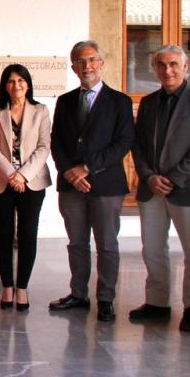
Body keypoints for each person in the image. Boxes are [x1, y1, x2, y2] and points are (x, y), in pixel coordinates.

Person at [129, 45, 190, 332]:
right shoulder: (149, 102)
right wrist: (148, 176)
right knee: (153, 249)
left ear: (185, 67)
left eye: (173, 65)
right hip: (151, 187)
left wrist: (174, 178)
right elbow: (138, 144)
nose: (167, 70)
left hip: (187, 189)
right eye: (161, 65)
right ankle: (157, 302)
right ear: (155, 69)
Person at [49, 40, 134, 322]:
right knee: (77, 242)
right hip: (71, 185)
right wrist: (69, 172)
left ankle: (106, 298)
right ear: (73, 67)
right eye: (80, 61)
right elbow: (56, 141)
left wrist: (86, 168)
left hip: (106, 184)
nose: (86, 66)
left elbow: (123, 142)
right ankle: (78, 294)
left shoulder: (120, 101)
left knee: (107, 243)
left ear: (101, 63)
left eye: (92, 60)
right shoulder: (65, 101)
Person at [0, 64, 52, 312]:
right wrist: (11, 174)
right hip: (1, 181)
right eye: (11, 81)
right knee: (2, 234)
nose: (17, 85)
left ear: (28, 83)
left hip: (32, 182)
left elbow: (44, 146)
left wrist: (22, 175)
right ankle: (7, 286)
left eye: (21, 80)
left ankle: (22, 287)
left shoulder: (40, 110)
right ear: (4, 86)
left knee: (27, 234)